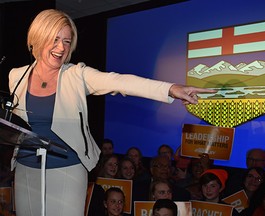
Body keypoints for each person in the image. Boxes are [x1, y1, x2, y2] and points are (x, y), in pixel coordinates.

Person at [8, 9, 216, 216]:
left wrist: (170, 89)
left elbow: (120, 81)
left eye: (67, 41)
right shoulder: (16, 76)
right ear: (38, 37)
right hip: (26, 167)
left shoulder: (76, 75)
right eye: (55, 39)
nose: (61, 47)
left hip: (67, 169)